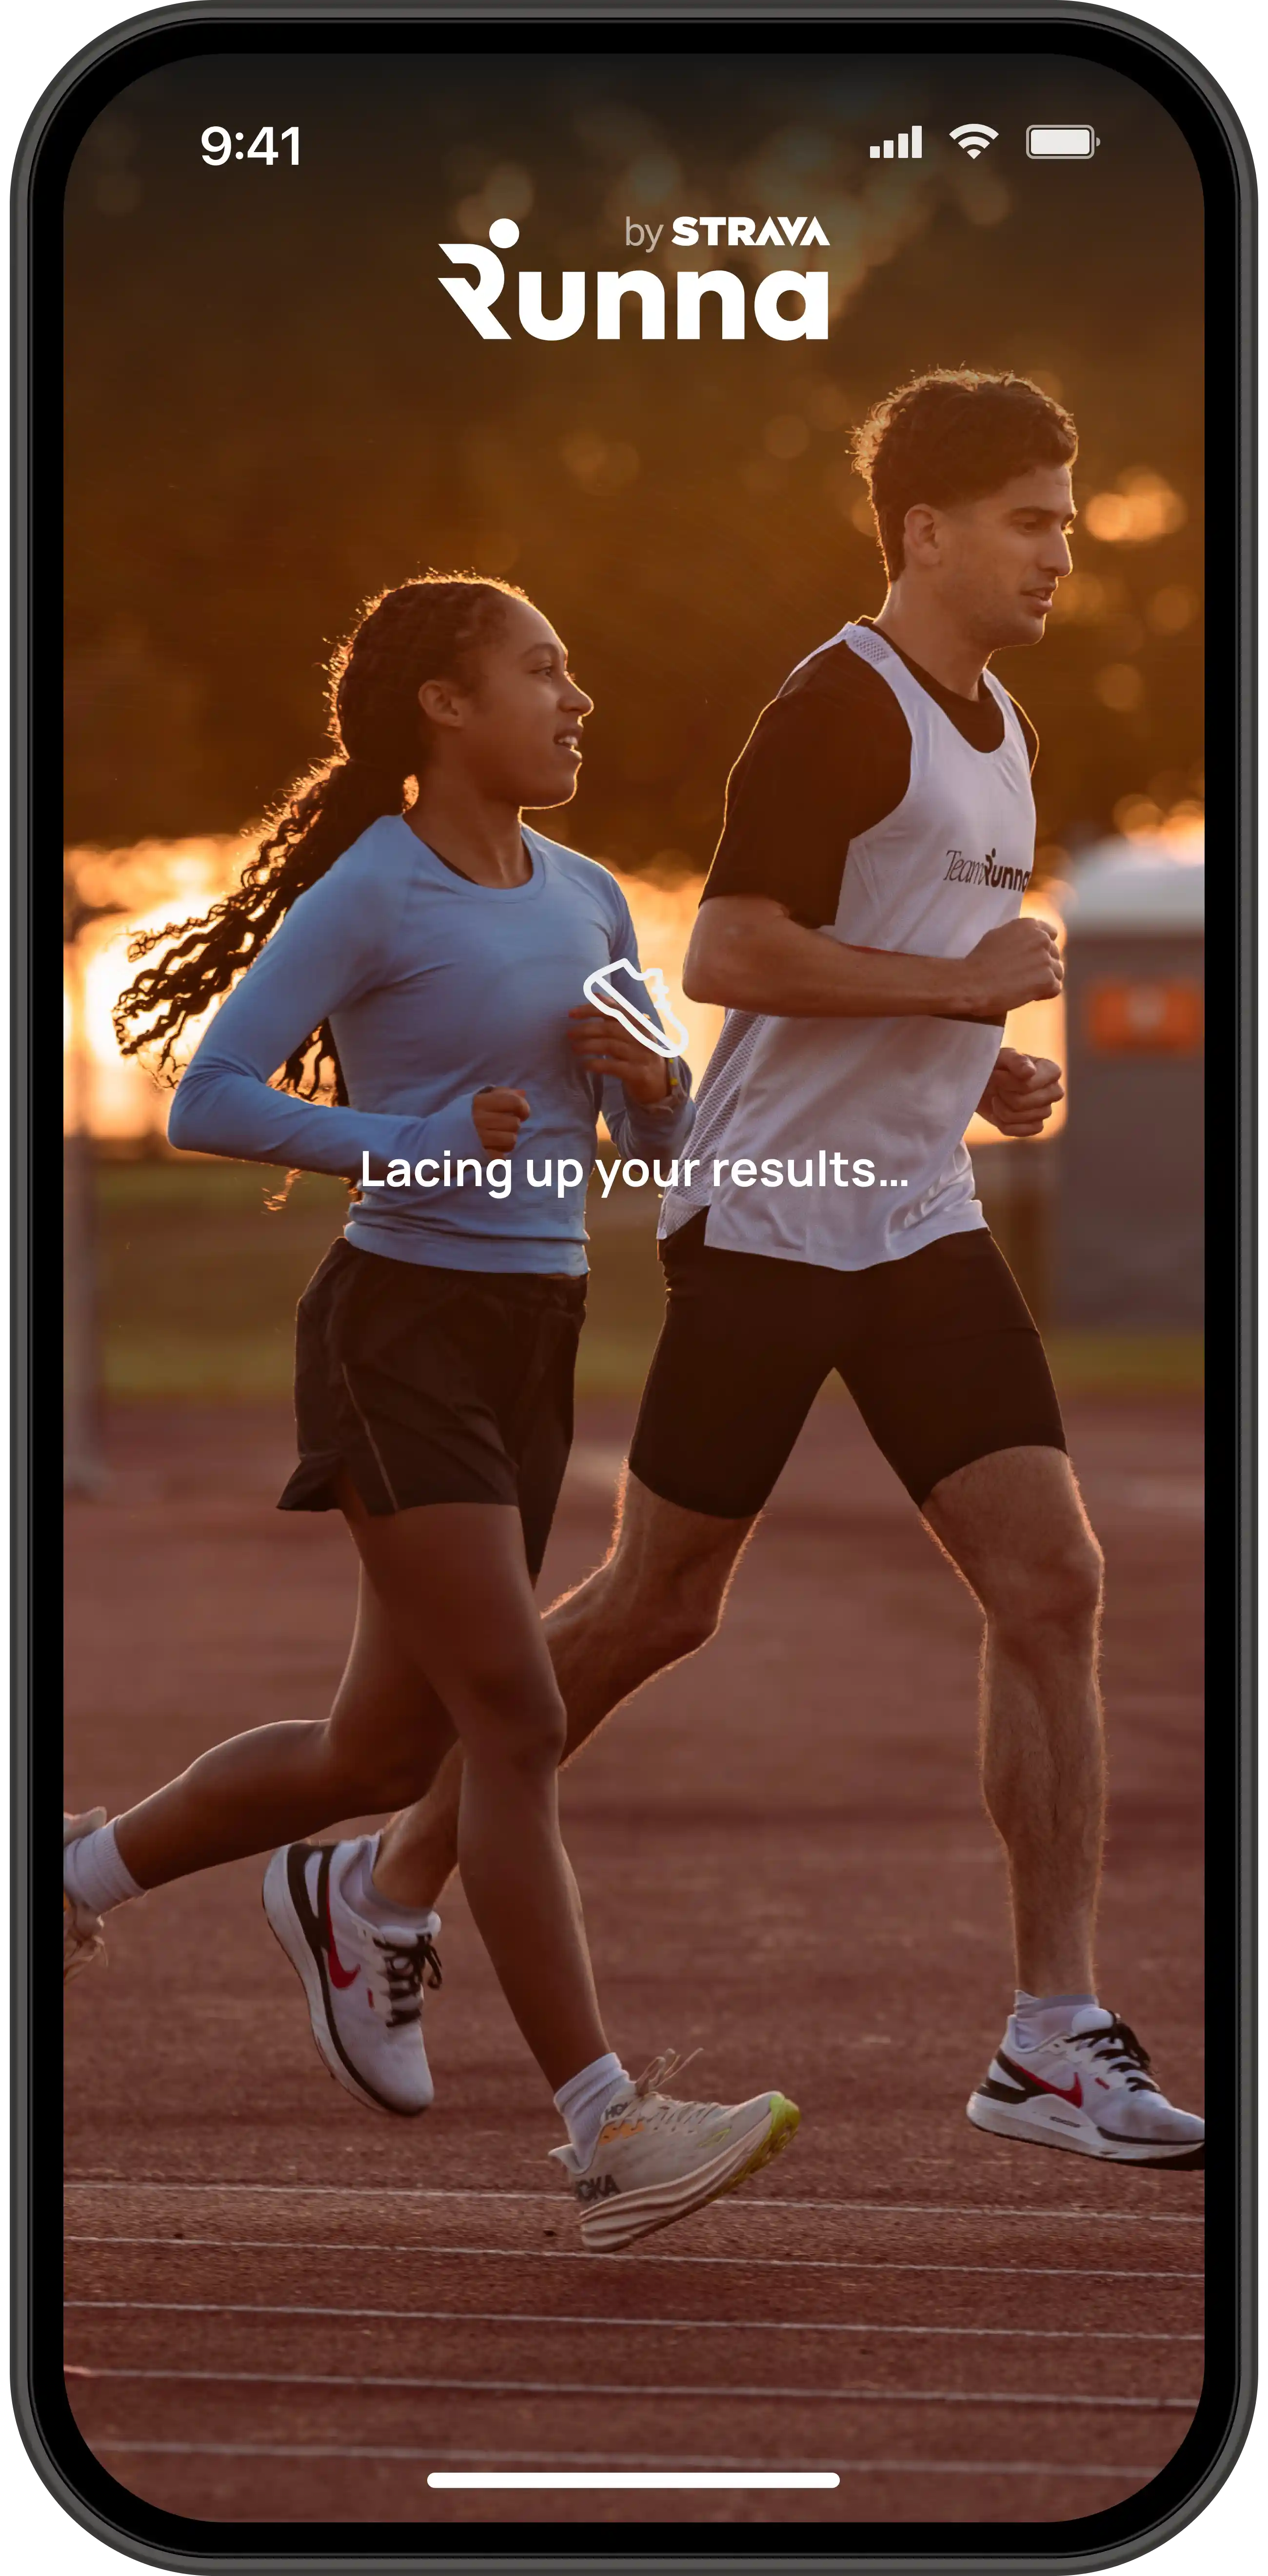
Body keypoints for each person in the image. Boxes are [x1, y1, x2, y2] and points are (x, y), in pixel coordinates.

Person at [323, 376, 1203, 2170]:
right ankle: (384, 1875)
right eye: (1034, 519)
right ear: (929, 531)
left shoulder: (1000, 726)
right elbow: (733, 948)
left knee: (1050, 1580)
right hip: (776, 1212)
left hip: (914, 1212)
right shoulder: (839, 706)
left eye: (1069, 515)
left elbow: (897, 961)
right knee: (660, 1603)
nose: (1062, 551)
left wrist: (981, 1063)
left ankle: (1049, 2034)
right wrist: (964, 994)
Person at [62, 571, 800, 2249]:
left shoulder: (600, 898)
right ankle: (609, 2130)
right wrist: (402, 1142)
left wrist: (654, 1087)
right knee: (515, 1724)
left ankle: (75, 1882)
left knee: (375, 1747)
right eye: (541, 668)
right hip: (397, 1330)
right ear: (444, 705)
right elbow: (208, 1097)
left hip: (536, 1325)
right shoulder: (374, 890)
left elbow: (653, 1157)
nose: (577, 696)